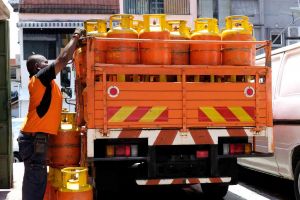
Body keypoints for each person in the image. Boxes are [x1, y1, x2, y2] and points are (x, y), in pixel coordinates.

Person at [17, 28, 85, 200]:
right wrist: (75, 36)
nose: (49, 63)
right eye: (46, 62)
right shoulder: (40, 78)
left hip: (35, 138)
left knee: (35, 180)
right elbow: (63, 59)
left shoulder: (46, 84)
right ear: (38, 67)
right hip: (34, 140)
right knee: (35, 181)